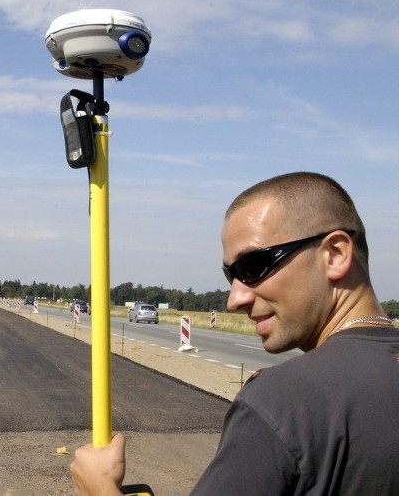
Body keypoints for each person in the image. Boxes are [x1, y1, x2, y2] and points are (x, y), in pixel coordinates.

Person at [70, 172, 399, 494]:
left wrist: (100, 490)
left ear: (335, 254)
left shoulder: (283, 404)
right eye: (231, 276)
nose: (235, 299)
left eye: (253, 267)